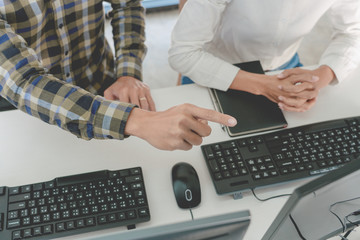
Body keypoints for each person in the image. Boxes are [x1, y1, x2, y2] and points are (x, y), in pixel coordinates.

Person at [0, 0, 237, 151]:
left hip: (102, 83)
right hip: (22, 114)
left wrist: (128, 73)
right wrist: (137, 121)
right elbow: (24, 80)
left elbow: (127, 5)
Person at [169, 0, 360, 112]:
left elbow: (353, 31)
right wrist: (263, 85)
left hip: (286, 67)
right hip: (212, 69)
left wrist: (318, 78)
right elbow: (183, 53)